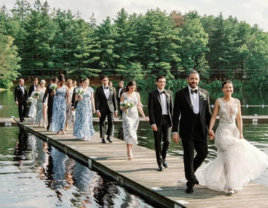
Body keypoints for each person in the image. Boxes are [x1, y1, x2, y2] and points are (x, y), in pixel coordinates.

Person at [196, 80, 268, 194]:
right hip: (223, 131)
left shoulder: (237, 101)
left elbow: (239, 118)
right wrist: (210, 129)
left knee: (234, 157)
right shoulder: (219, 101)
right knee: (227, 159)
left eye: (230, 87)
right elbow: (214, 116)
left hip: (233, 130)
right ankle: (229, 186)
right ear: (222, 89)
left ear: (232, 89)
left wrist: (241, 133)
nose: (228, 89)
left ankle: (230, 180)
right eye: (226, 87)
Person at [172, 70, 212, 194]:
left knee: (204, 152)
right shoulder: (180, 94)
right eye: (192, 79)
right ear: (187, 80)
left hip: (201, 129)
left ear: (198, 80)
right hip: (187, 129)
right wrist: (174, 131)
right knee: (188, 155)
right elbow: (175, 114)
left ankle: (190, 175)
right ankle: (190, 181)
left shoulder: (205, 93)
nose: (194, 81)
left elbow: (208, 113)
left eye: (196, 79)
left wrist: (211, 129)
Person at [148, 76, 174, 171]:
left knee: (167, 141)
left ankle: (164, 158)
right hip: (157, 121)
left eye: (163, 82)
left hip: (167, 120)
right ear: (157, 83)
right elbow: (150, 110)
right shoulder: (152, 94)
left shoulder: (169, 93)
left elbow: (172, 108)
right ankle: (159, 163)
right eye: (160, 82)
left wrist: (172, 122)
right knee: (157, 142)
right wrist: (152, 123)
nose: (162, 83)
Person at [121, 81, 149, 160]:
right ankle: (129, 151)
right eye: (131, 88)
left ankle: (130, 150)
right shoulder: (123, 94)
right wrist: (124, 107)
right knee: (129, 131)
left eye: (134, 88)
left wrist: (144, 116)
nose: (132, 89)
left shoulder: (137, 94)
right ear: (128, 87)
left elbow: (139, 106)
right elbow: (121, 106)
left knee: (132, 132)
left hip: (135, 116)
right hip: (126, 115)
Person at [95, 76, 117, 143]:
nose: (105, 81)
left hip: (110, 108)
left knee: (111, 122)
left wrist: (116, 110)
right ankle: (103, 137)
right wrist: (97, 110)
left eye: (106, 80)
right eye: (104, 80)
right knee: (102, 122)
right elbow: (97, 100)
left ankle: (109, 136)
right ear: (102, 81)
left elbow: (114, 100)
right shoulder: (98, 89)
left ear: (108, 81)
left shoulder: (112, 89)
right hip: (102, 108)